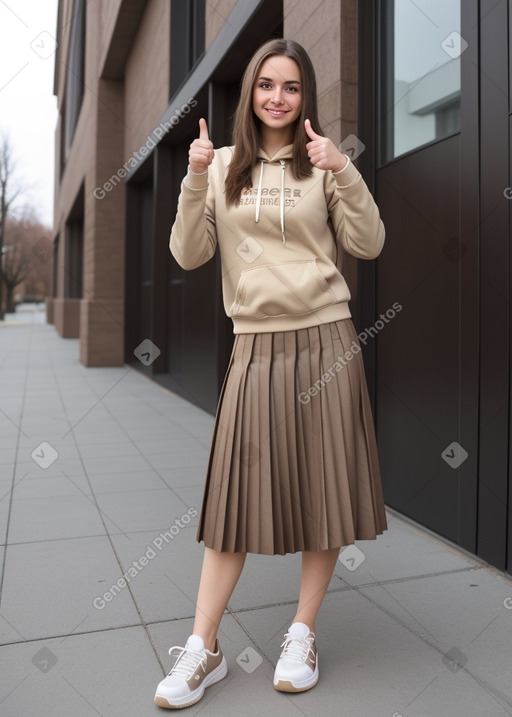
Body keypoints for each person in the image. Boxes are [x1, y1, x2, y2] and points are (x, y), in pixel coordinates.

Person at [154, 37, 387, 710]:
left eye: (290, 86)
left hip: (327, 344)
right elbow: (190, 254)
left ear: (305, 96)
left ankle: (301, 633)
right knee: (231, 507)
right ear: (250, 93)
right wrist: (194, 177)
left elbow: (368, 243)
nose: (277, 98)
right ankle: (204, 648)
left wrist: (344, 169)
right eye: (266, 85)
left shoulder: (323, 166)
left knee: (324, 496)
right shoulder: (223, 166)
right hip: (255, 348)